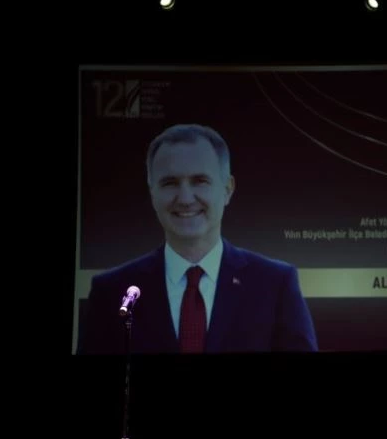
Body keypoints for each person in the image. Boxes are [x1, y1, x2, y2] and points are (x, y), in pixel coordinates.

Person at [77, 123, 317, 354]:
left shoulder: (275, 285)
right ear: (152, 194)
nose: (185, 198)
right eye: (170, 183)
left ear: (227, 189)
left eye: (200, 181)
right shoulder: (111, 292)